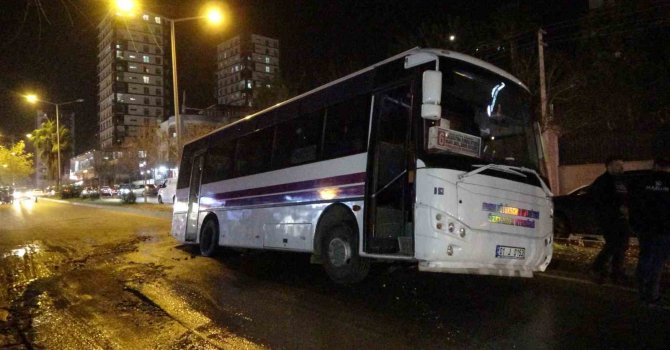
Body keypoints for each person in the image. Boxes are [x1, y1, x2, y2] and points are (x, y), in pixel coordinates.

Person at [630, 157, 670, 307]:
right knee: (658, 262)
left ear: (655, 166)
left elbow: (633, 205)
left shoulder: (641, 181)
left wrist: (635, 225)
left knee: (646, 257)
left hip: (646, 229)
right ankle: (653, 294)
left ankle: (641, 291)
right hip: (665, 230)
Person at [590, 156, 631, 284]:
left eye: (622, 165)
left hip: (622, 219)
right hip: (609, 220)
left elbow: (625, 197)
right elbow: (599, 202)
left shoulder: (620, 181)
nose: (622, 168)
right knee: (613, 245)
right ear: (609, 166)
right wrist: (618, 208)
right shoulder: (602, 182)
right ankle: (597, 267)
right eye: (618, 165)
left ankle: (616, 272)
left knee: (622, 245)